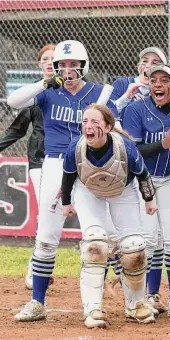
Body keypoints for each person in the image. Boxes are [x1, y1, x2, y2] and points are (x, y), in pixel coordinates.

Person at [7, 40, 119, 322]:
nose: (68, 71)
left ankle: (96, 303)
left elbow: (116, 126)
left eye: (73, 65)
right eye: (62, 65)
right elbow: (12, 101)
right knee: (46, 234)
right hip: (55, 163)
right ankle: (37, 302)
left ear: (83, 66)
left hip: (90, 163)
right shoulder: (48, 93)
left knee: (98, 237)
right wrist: (44, 83)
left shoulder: (99, 93)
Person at [61, 104, 157, 327]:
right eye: (85, 121)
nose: (89, 126)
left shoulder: (125, 148)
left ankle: (136, 304)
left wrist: (149, 200)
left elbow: (143, 175)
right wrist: (66, 204)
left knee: (134, 247)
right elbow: (67, 179)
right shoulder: (75, 148)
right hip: (89, 191)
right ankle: (92, 309)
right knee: (95, 245)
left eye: (95, 122)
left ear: (109, 127)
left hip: (123, 191)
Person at [122, 64, 170, 317]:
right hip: (143, 179)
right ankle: (145, 297)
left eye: (165, 79)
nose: (158, 84)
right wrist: (163, 143)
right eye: (153, 80)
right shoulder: (136, 109)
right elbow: (133, 150)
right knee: (148, 240)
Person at [0, 43, 55, 290]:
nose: (49, 62)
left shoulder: (75, 92)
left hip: (72, 161)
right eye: (44, 59)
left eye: (54, 58)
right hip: (40, 162)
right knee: (47, 212)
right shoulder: (33, 95)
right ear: (39, 64)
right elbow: (17, 130)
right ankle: (35, 271)